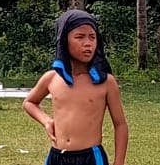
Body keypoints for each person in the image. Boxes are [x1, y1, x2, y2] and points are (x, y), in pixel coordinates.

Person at [23, 10, 129, 165]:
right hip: (56, 157)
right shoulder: (52, 78)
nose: (88, 43)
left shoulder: (106, 82)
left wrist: (119, 162)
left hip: (90, 158)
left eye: (92, 37)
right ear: (64, 41)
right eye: (80, 37)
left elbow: (120, 125)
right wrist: (46, 121)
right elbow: (29, 102)